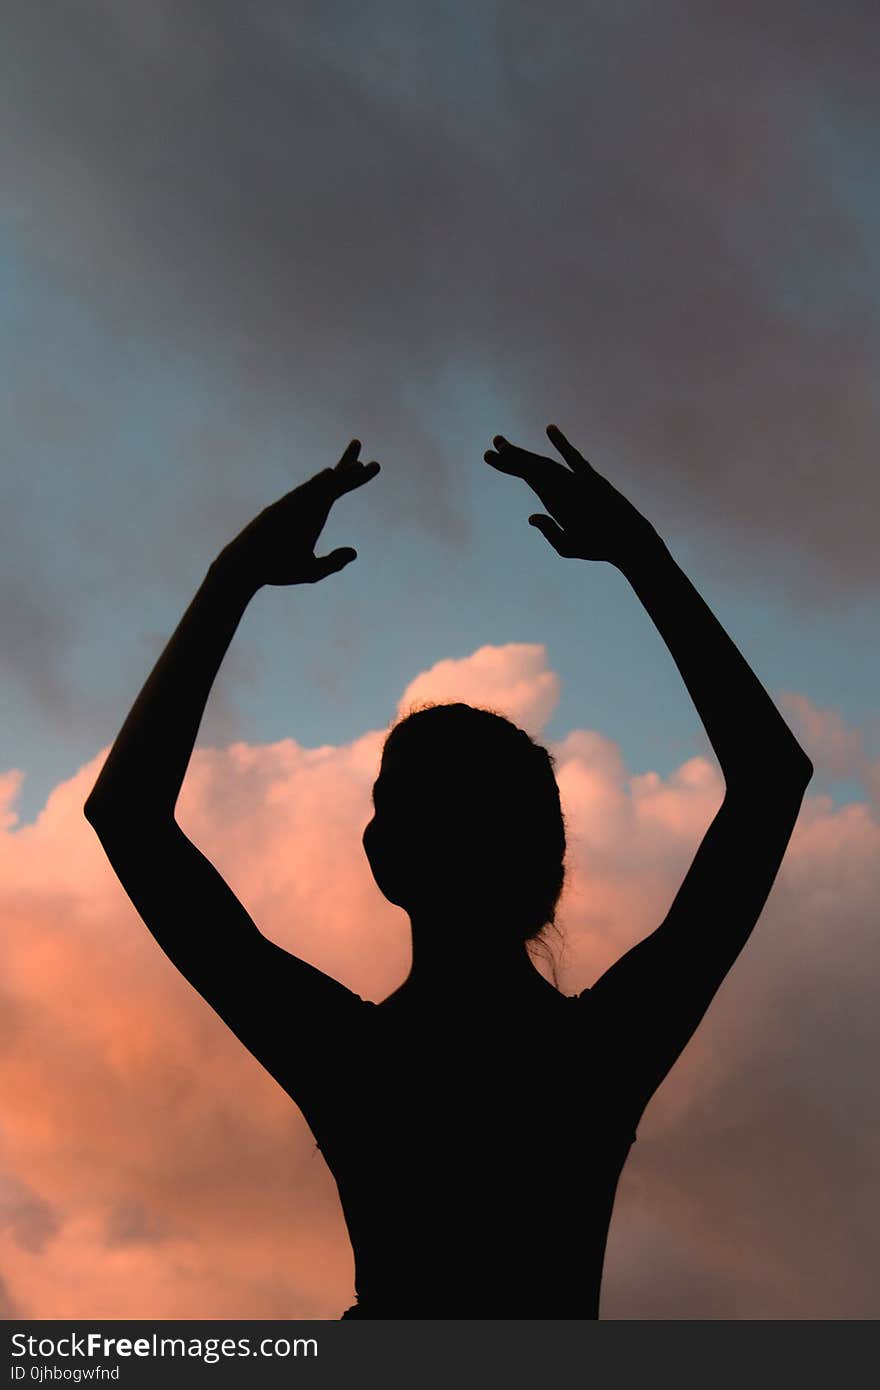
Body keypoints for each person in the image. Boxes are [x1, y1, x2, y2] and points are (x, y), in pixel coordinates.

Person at [84, 427, 813, 1319]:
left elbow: (127, 818)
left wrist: (231, 577)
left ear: (384, 861)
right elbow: (772, 782)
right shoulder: (595, 1058)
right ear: (552, 865)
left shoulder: (356, 1064)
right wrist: (643, 559)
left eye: (392, 803)